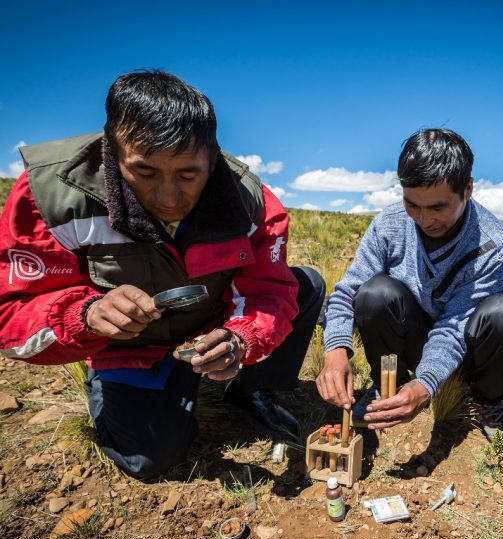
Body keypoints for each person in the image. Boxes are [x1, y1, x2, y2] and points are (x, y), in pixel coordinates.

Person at [0, 70, 325, 478]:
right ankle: (142, 388)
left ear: (213, 156)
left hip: (210, 326)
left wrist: (241, 339)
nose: (169, 198)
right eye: (146, 173)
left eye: (189, 175)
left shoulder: (248, 198)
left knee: (306, 284)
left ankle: (248, 388)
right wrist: (84, 317)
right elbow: (12, 316)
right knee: (148, 459)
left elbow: (269, 290)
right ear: (111, 154)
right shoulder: (50, 196)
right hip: (124, 346)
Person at [316, 128, 503, 443]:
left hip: (466, 353)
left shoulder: (492, 243)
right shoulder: (388, 224)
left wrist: (426, 385)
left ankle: (488, 401)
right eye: (412, 204)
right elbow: (346, 293)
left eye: (437, 208)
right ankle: (387, 385)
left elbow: (454, 327)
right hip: (414, 342)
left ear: (468, 189)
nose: (423, 219)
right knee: (375, 294)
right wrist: (335, 349)